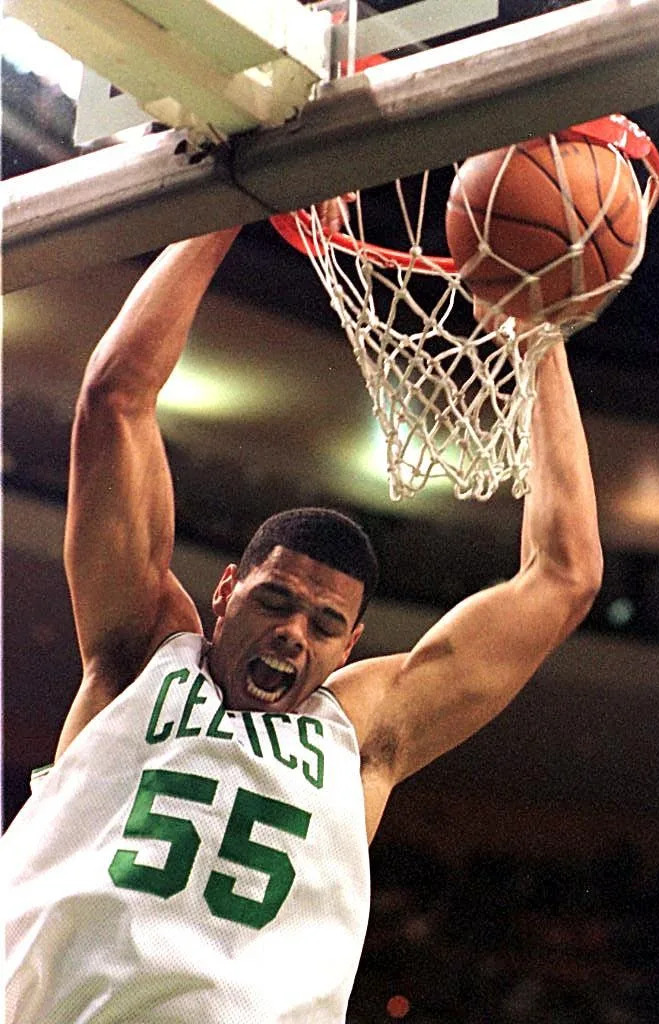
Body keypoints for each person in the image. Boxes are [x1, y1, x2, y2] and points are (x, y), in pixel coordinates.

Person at [3, 224, 603, 1023]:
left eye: (325, 623)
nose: (295, 633)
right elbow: (114, 396)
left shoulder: (360, 733)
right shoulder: (140, 657)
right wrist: (226, 206)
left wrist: (539, 338)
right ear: (227, 592)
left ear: (351, 643)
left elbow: (564, 576)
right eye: (276, 601)